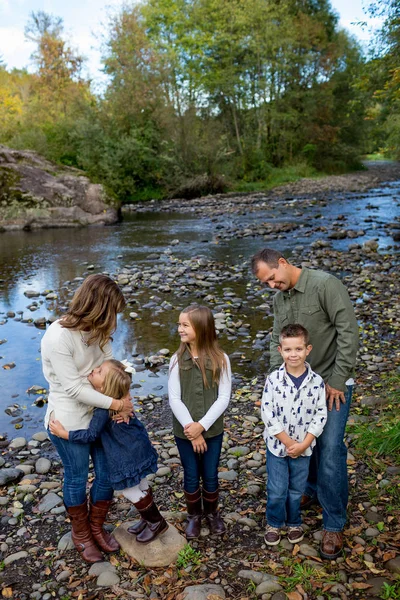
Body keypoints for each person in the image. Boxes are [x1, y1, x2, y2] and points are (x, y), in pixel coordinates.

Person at [251, 248, 359, 559]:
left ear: (282, 263)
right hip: (293, 385)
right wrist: (275, 379)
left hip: (332, 383)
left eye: (272, 278)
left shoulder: (325, 285)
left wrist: (338, 379)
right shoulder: (278, 299)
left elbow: (348, 331)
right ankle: (311, 489)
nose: (272, 285)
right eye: (266, 283)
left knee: (329, 450)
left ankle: (334, 523)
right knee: (300, 440)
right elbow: (276, 340)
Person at [41, 274, 133, 564]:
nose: (114, 320)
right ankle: (81, 534)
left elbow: (112, 365)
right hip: (68, 419)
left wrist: (125, 397)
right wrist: (117, 402)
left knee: (106, 474)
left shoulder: (99, 330)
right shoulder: (58, 336)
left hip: (100, 413)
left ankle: (96, 526)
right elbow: (74, 388)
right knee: (77, 477)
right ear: (98, 306)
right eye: (112, 312)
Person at [49, 359, 168, 545]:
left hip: (126, 454)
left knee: (129, 490)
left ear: (103, 388)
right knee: (141, 481)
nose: (93, 370)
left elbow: (90, 435)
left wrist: (65, 433)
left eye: (98, 371)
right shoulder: (120, 400)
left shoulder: (103, 409)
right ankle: (148, 519)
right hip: (137, 446)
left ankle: (156, 521)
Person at [168, 305, 232, 539]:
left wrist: (202, 426)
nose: (180, 329)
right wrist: (191, 430)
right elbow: (174, 398)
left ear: (201, 328)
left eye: (185, 325)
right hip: (184, 431)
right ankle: (194, 516)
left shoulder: (221, 359)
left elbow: (224, 397)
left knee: (211, 473)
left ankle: (212, 514)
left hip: (211, 430)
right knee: (192, 473)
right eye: (179, 324)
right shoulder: (176, 360)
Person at [261, 324, 327, 546]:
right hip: (278, 446)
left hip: (305, 447)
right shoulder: (273, 380)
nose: (293, 354)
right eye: (288, 350)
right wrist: (288, 442)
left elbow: (321, 415)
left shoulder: (316, 382)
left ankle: (294, 521)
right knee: (277, 489)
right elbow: (267, 412)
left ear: (308, 349)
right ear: (280, 350)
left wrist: (305, 443)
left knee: (296, 490)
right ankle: (274, 522)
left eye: (298, 349)